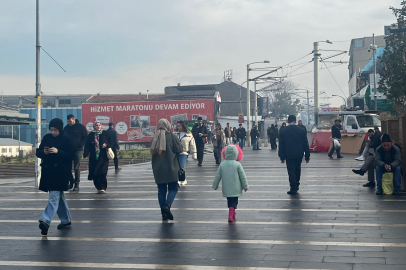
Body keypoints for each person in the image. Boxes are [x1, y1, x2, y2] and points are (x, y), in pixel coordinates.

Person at [36, 118, 74, 235]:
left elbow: (71, 155)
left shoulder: (67, 138)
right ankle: (66, 220)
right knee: (59, 196)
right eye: (51, 129)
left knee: (53, 197)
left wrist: (58, 151)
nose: (53, 132)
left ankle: (45, 220)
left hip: (61, 173)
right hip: (49, 172)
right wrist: (44, 152)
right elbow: (38, 152)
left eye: (55, 130)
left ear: (60, 129)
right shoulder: (47, 137)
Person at [151, 119, 183, 220]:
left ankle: (163, 212)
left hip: (158, 168)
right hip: (171, 167)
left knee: (161, 190)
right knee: (173, 188)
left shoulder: (155, 137)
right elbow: (180, 149)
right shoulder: (172, 136)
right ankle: (167, 206)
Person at [212, 145, 248, 222]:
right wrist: (245, 186)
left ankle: (232, 212)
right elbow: (242, 176)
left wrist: (215, 185)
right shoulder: (238, 164)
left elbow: (217, 176)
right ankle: (231, 214)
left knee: (229, 200)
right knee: (234, 201)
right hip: (236, 188)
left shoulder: (222, 164)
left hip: (226, 188)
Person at [278, 115, 310, 195]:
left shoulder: (283, 131)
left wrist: (281, 156)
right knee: (297, 169)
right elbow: (305, 143)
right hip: (299, 153)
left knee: (291, 170)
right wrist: (307, 156)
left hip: (288, 154)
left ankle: (293, 187)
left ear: (288, 121)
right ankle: (297, 185)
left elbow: (281, 144)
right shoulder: (302, 130)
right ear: (295, 120)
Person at [83, 121, 112, 194]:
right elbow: (87, 145)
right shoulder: (91, 135)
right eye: (96, 125)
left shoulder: (105, 133)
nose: (98, 126)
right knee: (95, 172)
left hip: (103, 156)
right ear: (94, 126)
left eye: (99, 125)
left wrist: (107, 145)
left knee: (103, 172)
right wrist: (86, 154)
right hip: (94, 156)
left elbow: (111, 141)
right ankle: (98, 187)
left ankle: (103, 187)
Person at [63, 114, 88, 191]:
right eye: (67, 121)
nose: (69, 123)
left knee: (76, 167)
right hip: (68, 150)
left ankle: (77, 184)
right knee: (67, 167)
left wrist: (80, 145)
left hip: (78, 150)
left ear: (74, 120)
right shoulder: (66, 128)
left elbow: (85, 137)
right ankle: (71, 181)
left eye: (70, 121)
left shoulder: (81, 127)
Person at [177, 121, 197, 186]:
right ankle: (179, 179)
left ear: (183, 126)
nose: (178, 127)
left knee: (181, 166)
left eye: (179, 126)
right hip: (176, 153)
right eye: (177, 126)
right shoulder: (176, 134)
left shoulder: (189, 135)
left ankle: (183, 179)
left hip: (184, 152)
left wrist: (194, 154)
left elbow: (192, 145)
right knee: (177, 167)